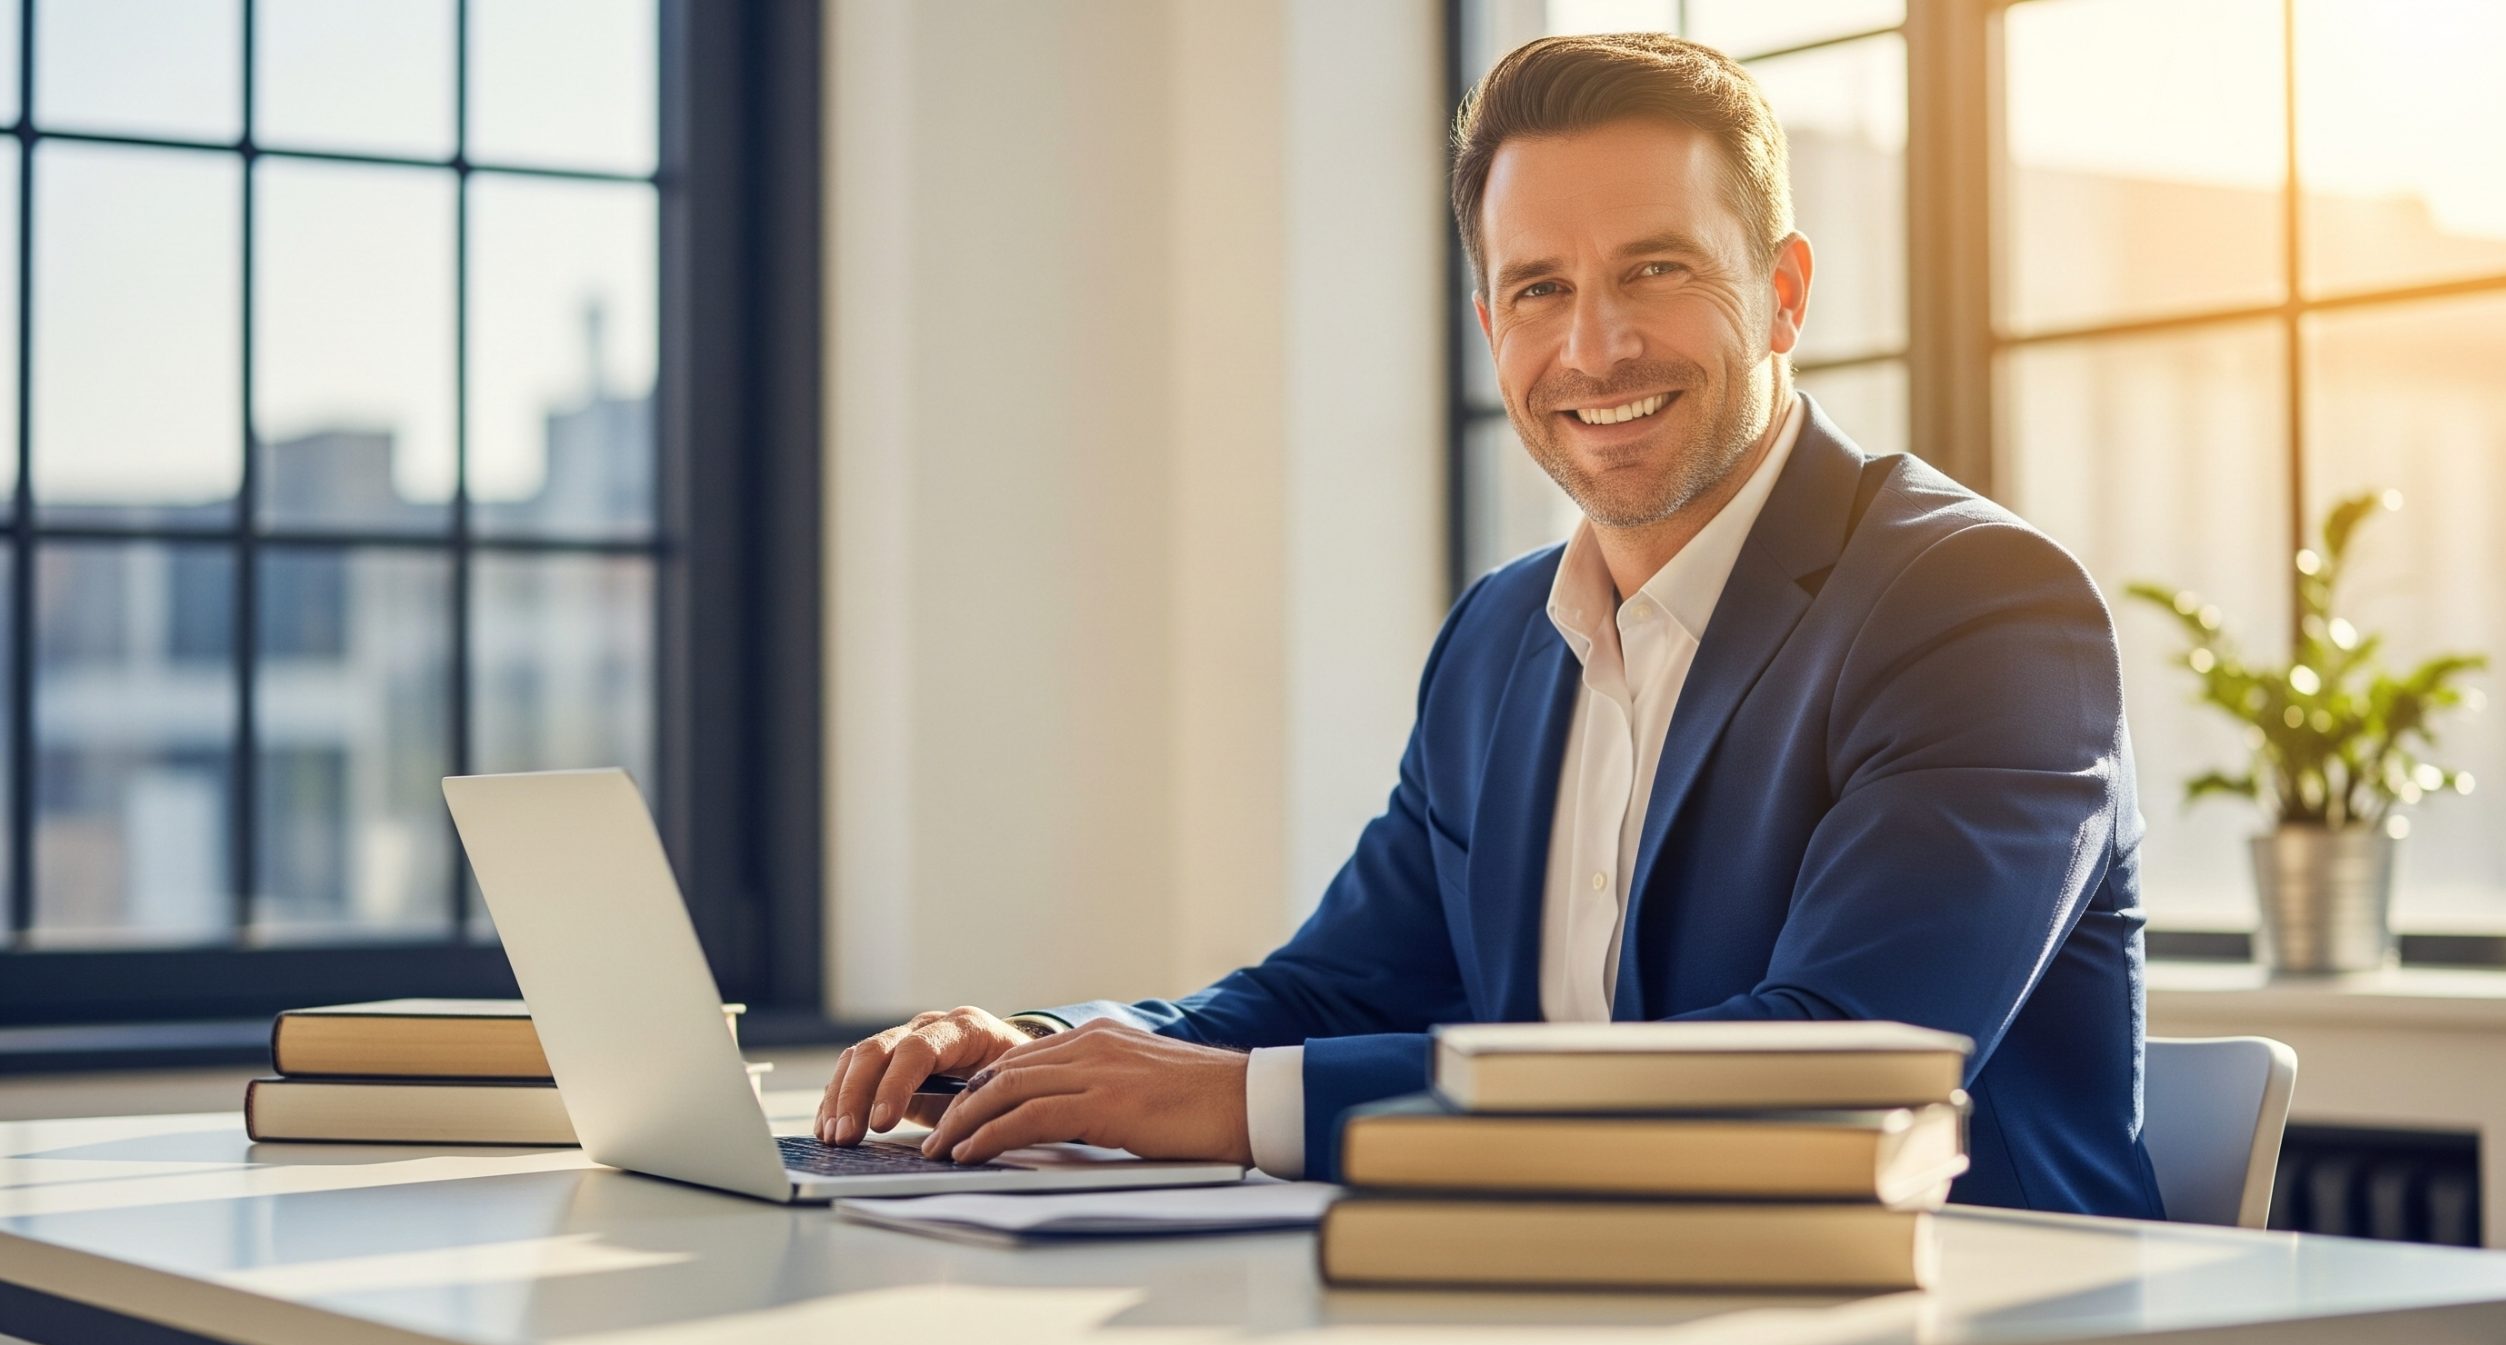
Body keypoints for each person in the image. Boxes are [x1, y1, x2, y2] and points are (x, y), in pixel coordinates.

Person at [815, 31, 2164, 1218]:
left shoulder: (1978, 609)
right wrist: (1049, 1051)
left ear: (1787, 293)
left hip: (1966, 1337)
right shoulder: (1501, 638)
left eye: (1654, 269)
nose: (1594, 349)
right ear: (1488, 324)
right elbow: (1333, 994)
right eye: (1539, 289)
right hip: (1575, 1313)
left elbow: (1839, 1067)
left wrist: (1237, 1102)